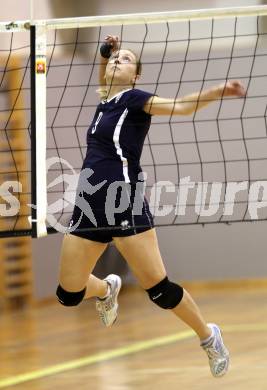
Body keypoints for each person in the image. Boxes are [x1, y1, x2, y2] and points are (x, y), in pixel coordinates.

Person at [56, 35, 246, 378]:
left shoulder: (135, 99)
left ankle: (208, 336)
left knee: (159, 291)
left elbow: (182, 107)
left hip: (123, 198)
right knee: (68, 294)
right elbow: (106, 76)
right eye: (116, 59)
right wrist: (107, 54)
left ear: (136, 76)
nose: (117, 61)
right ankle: (107, 288)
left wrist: (217, 91)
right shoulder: (105, 103)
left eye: (126, 60)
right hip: (89, 200)